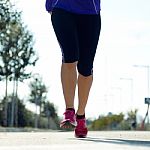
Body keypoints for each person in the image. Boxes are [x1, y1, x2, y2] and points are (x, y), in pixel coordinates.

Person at [45, 0, 101, 138]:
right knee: (70, 56)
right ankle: (69, 111)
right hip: (62, 7)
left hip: (90, 12)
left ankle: (80, 116)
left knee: (86, 68)